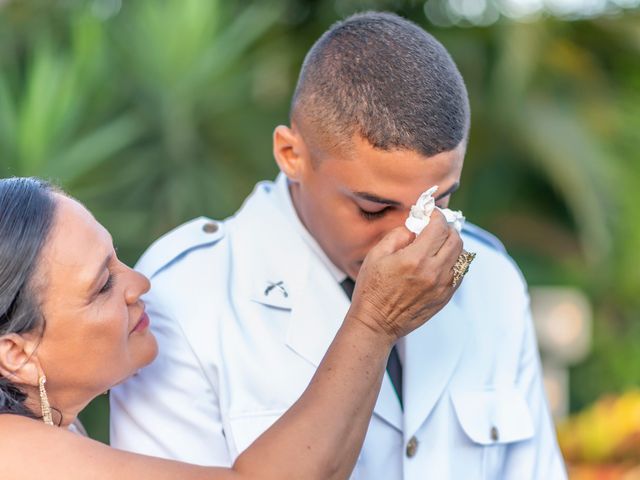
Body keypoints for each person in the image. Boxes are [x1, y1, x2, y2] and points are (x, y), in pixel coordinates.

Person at [111, 11, 567, 479]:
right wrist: (375, 322)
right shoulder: (186, 296)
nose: (409, 236)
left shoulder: (490, 278)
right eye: (373, 208)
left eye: (438, 201)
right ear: (292, 155)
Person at [0, 176, 467, 479]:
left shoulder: (54, 433)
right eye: (103, 285)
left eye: (117, 259)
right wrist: (373, 322)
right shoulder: (15, 454)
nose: (140, 283)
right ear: (15, 353)